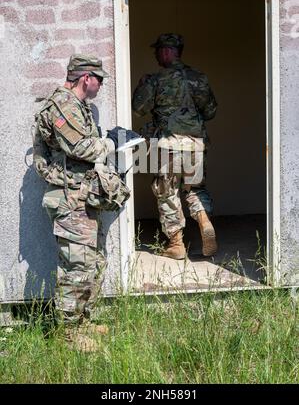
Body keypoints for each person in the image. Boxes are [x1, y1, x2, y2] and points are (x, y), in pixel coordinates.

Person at [33, 54, 130, 337]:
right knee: (77, 265)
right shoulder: (62, 105)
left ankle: (82, 320)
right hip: (69, 197)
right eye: (98, 79)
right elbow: (81, 148)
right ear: (86, 77)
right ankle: (68, 332)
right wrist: (112, 142)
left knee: (92, 261)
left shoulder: (77, 106)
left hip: (82, 195)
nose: (100, 85)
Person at [132, 33, 218, 260]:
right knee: (195, 189)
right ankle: (204, 221)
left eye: (157, 50)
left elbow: (139, 108)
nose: (156, 55)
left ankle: (176, 244)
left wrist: (142, 86)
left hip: (166, 146)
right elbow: (210, 111)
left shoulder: (155, 80)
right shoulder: (198, 77)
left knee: (167, 193)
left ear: (166, 51)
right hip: (195, 145)